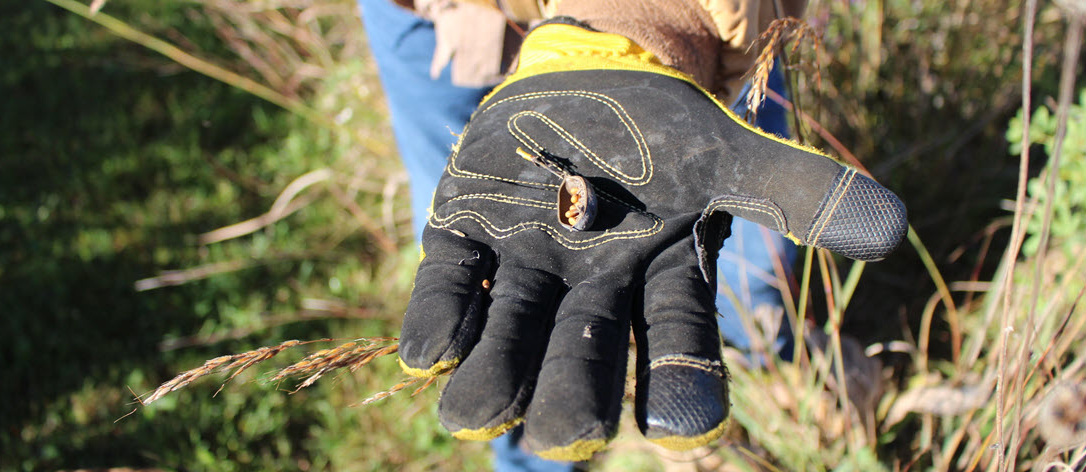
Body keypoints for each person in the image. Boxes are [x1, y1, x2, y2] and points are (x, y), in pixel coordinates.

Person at [357, 1, 906, 469]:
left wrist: (651, 16)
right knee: (475, 239)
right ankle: (531, 454)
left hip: (695, 23)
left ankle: (790, 384)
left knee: (746, 265)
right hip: (438, 14)